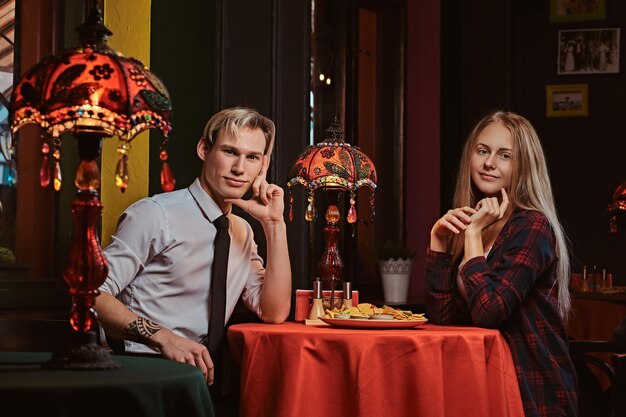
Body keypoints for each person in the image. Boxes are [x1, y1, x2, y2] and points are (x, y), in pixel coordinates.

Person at [95, 107, 292, 390]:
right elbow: (93, 293)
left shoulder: (241, 231)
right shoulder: (155, 214)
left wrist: (274, 224)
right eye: (229, 152)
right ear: (204, 149)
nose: (239, 168)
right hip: (136, 370)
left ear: (264, 165)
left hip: (199, 378)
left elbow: (274, 312)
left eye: (252, 157)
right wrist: (164, 337)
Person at [425, 111, 578, 417]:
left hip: (530, 389)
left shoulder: (532, 227)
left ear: (524, 164)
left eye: (504, 155)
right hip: (480, 382)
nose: (489, 162)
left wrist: (472, 238)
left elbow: (489, 311)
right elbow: (444, 318)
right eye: (482, 151)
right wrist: (438, 243)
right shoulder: (477, 221)